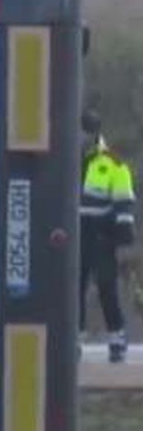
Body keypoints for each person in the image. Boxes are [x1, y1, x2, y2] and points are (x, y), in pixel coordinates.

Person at [80, 110, 136, 363]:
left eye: (84, 132)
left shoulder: (113, 164)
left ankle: (117, 337)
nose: (79, 138)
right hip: (74, 237)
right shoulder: (64, 160)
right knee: (73, 289)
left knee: (106, 287)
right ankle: (75, 338)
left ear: (94, 134)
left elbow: (124, 207)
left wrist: (123, 244)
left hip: (102, 237)